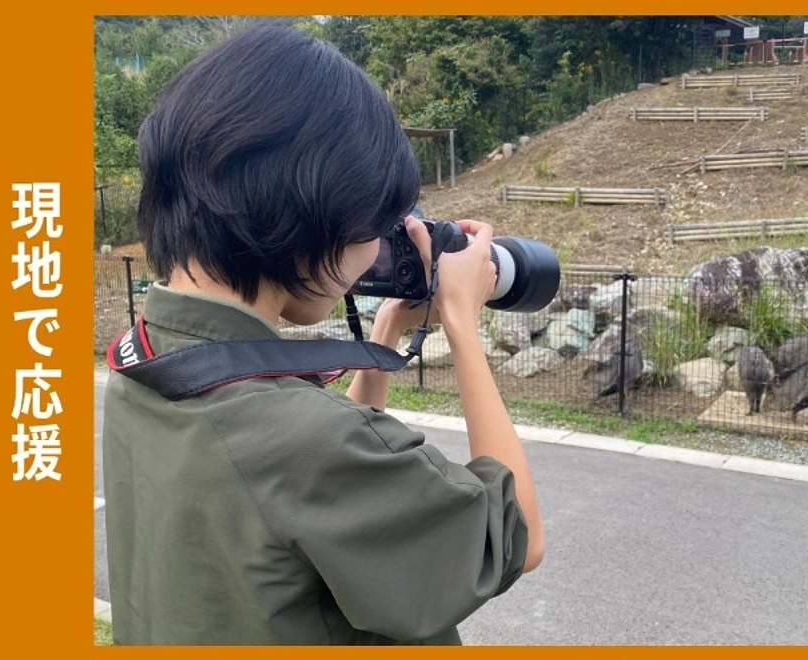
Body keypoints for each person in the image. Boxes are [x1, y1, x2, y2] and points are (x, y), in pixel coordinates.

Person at [101, 20, 545, 646]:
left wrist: (389, 326)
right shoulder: (297, 441)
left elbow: (307, 507)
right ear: (314, 212)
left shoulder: (144, 364)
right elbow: (514, 536)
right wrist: (462, 323)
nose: (373, 254)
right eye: (374, 227)